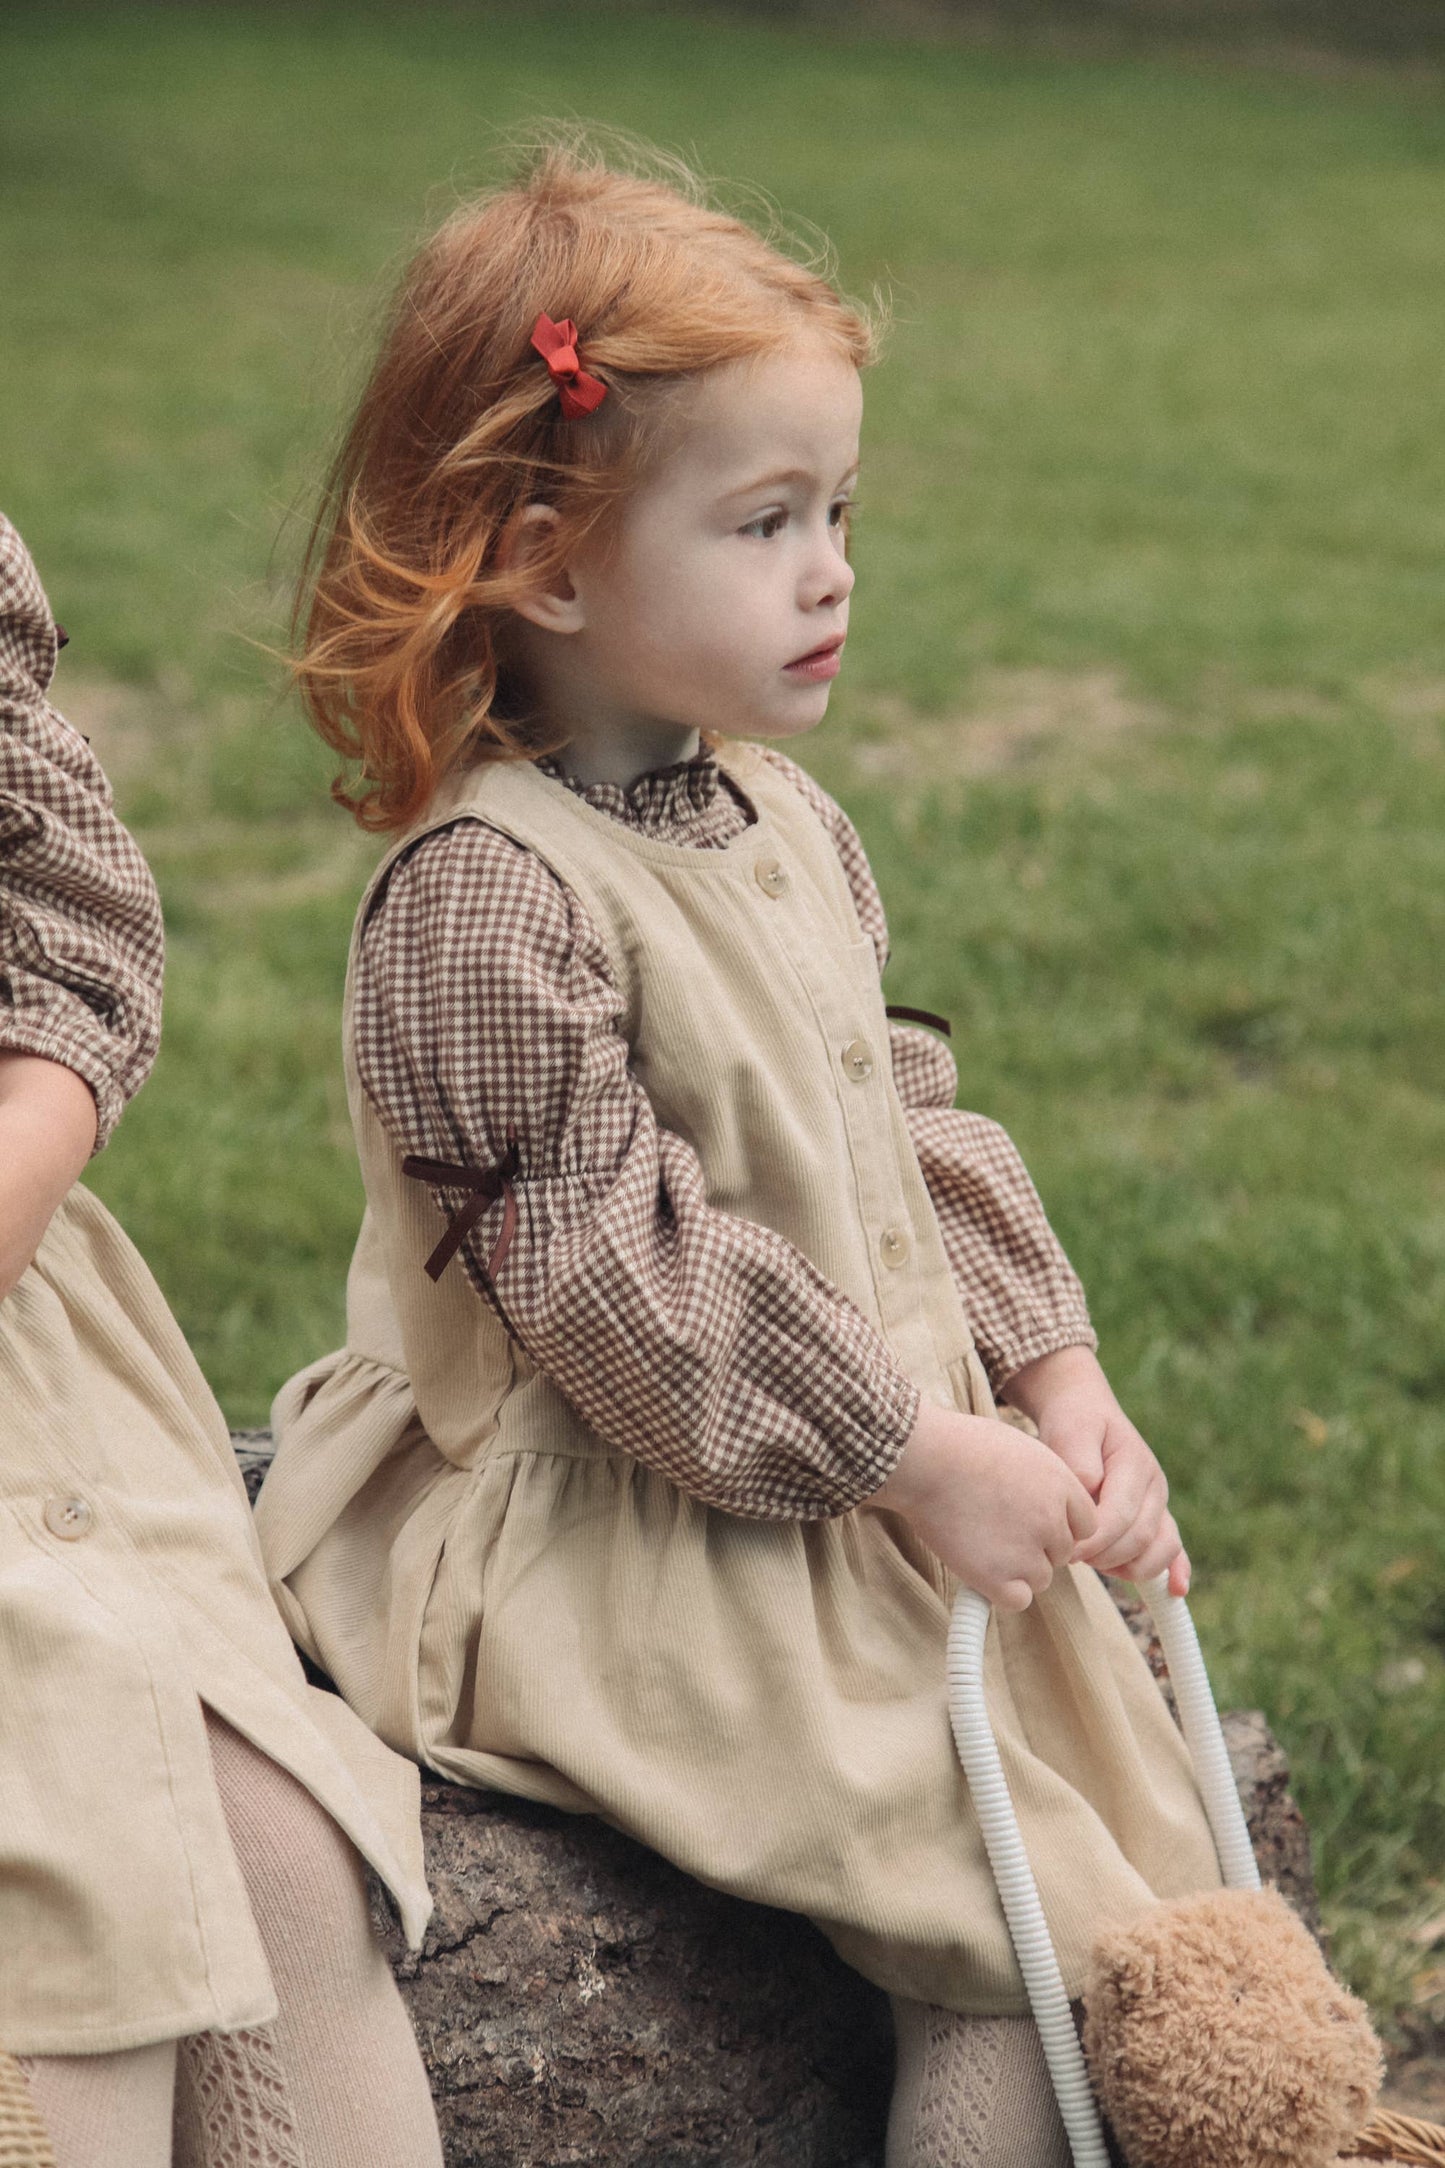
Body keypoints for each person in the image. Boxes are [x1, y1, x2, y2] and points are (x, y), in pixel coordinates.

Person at [255, 138, 1223, 2167]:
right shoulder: (483, 905)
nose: (835, 568)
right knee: (1000, 1921)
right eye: (766, 518)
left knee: (1122, 1827)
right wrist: (910, 1449)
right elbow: (621, 1280)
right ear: (544, 558)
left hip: (855, 1447)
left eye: (841, 508)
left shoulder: (782, 822)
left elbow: (907, 1128)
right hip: (624, 1507)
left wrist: (1049, 1373)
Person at [0, 513, 445, 2168]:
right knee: (63, 1924)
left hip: (34, 1354)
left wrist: (22, 1156)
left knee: (278, 1857)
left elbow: (68, 912)